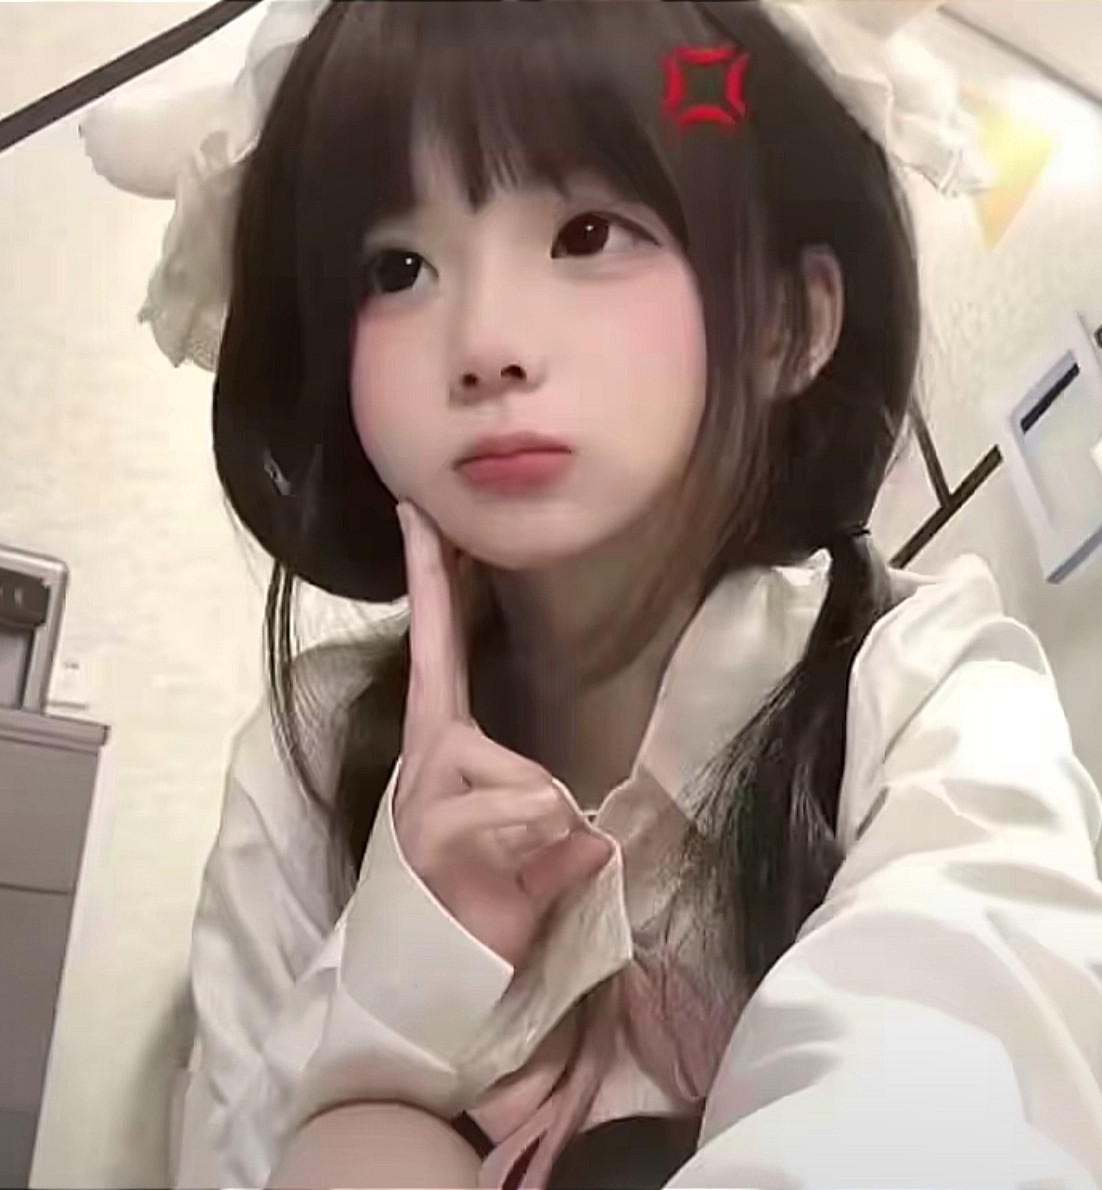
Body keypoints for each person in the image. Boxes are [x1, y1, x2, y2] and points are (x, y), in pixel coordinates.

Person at [153, 2, 1102, 1187]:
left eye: (588, 232)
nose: (484, 343)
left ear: (788, 320)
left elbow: (953, 1101)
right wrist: (398, 984)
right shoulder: (311, 748)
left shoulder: (924, 694)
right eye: (397, 269)